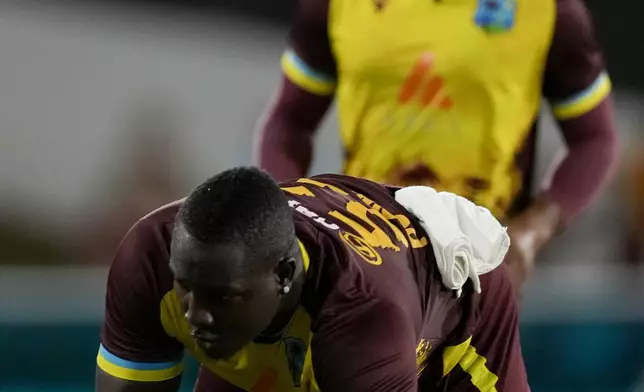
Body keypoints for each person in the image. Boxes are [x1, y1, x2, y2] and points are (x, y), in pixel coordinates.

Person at [254, 0, 618, 290]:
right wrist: (290, 217)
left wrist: (530, 234)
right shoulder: (336, 5)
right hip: (365, 251)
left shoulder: (547, 9)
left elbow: (594, 139)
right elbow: (289, 122)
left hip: (478, 264)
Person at [96, 167, 527, 392]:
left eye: (222, 297)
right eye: (185, 288)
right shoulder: (149, 257)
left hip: (451, 313)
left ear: (284, 273)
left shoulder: (364, 324)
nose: (196, 317)